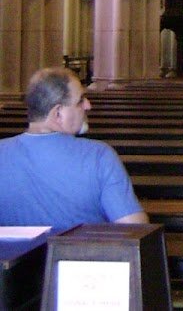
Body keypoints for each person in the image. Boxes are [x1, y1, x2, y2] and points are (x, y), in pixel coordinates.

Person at [0, 67, 148, 230]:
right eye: (80, 101)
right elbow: (133, 229)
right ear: (58, 113)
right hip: (85, 247)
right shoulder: (98, 155)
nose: (88, 105)